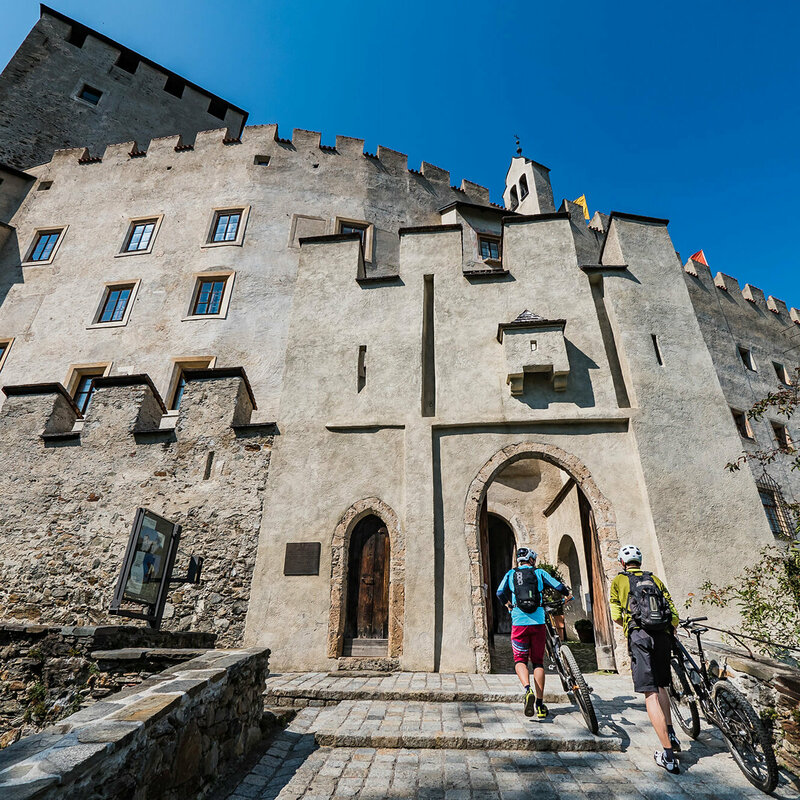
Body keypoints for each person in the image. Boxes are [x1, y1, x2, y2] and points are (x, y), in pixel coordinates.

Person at [609, 544, 681, 775]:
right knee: (662, 687)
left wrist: (631, 629)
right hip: (662, 636)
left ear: (622, 562)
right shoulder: (655, 580)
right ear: (640, 562)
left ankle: (668, 755)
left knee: (649, 693)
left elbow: (616, 615)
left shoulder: (619, 581)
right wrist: (668, 630)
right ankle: (671, 732)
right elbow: (673, 613)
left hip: (639, 635)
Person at [496, 546, 572, 719]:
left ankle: (526, 689)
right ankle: (539, 704)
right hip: (538, 622)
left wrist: (508, 605)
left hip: (519, 623)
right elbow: (558, 585)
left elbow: (500, 592)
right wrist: (567, 594)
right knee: (538, 662)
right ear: (531, 560)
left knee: (520, 660)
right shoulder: (539, 573)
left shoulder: (510, 574)